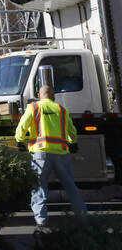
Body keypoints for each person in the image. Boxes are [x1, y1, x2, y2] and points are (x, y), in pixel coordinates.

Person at [15, 84, 87, 228]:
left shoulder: (34, 108)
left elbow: (22, 127)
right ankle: (82, 216)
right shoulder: (62, 109)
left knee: (39, 186)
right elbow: (72, 130)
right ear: (53, 96)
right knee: (70, 186)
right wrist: (73, 143)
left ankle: (41, 220)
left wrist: (19, 141)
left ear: (39, 95)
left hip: (41, 154)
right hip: (61, 153)